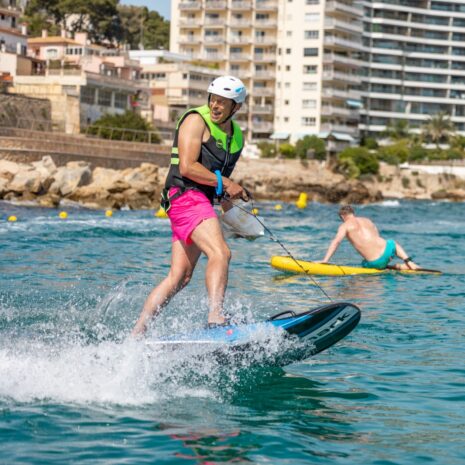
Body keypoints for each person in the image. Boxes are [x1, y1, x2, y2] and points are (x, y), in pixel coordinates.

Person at [132, 76, 248, 336]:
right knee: (221, 253)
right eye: (213, 99)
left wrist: (231, 206)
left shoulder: (237, 136)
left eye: (223, 102)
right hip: (183, 195)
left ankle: (137, 334)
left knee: (181, 276)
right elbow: (187, 166)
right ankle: (216, 316)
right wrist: (227, 183)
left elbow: (218, 180)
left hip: (202, 202)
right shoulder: (196, 120)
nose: (216, 105)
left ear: (236, 107)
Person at [319, 205, 419, 270]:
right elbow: (376, 236)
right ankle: (408, 262)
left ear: (342, 216)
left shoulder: (345, 226)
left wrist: (325, 260)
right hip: (389, 252)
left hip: (375, 262)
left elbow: (336, 242)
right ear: (353, 213)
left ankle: (390, 266)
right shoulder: (367, 220)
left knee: (364, 264)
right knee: (392, 242)